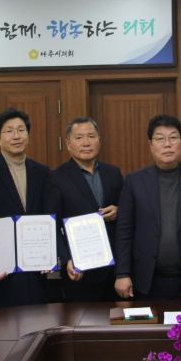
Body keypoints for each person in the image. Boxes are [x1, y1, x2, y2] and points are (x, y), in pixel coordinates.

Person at [114, 114, 181, 300]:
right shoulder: (134, 181)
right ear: (150, 144)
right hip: (146, 279)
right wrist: (122, 273)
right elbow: (124, 230)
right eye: (160, 139)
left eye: (173, 137)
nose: (167, 144)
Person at [0, 107, 50, 309]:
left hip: (35, 271)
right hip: (0, 271)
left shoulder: (42, 172)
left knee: (38, 323)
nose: (16, 136)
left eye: (21, 130)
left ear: (28, 135)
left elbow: (49, 217)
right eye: (9, 131)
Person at [44, 117, 123, 302]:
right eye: (79, 138)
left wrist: (119, 211)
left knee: (116, 318)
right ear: (68, 143)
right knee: (82, 319)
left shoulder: (113, 173)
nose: (86, 143)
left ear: (99, 140)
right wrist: (67, 259)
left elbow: (129, 212)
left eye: (91, 136)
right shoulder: (56, 178)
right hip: (80, 271)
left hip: (115, 270)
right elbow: (52, 226)